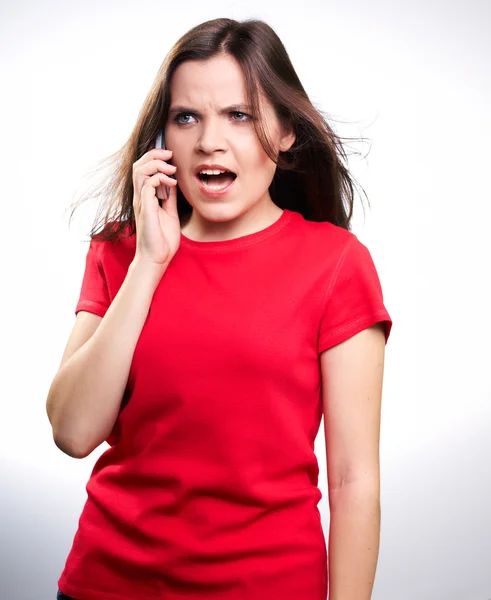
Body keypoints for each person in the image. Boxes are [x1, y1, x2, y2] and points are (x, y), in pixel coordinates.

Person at [46, 17, 392, 600]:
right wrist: (149, 264)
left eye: (240, 115)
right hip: (105, 583)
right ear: (163, 139)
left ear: (285, 132)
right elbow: (74, 431)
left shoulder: (336, 265)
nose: (210, 140)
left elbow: (355, 481)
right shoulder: (121, 251)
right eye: (187, 117)